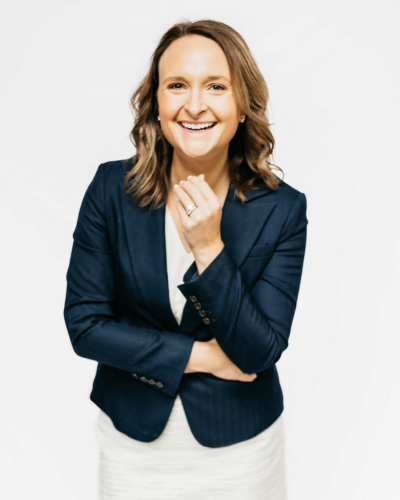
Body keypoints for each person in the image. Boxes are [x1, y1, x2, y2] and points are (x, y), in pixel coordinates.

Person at [64, 19, 308, 500]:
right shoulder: (110, 190)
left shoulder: (283, 209)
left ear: (243, 105)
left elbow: (260, 352)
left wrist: (209, 248)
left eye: (216, 86)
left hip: (242, 448)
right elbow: (86, 326)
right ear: (156, 103)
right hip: (131, 441)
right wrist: (204, 357)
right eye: (177, 85)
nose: (195, 105)